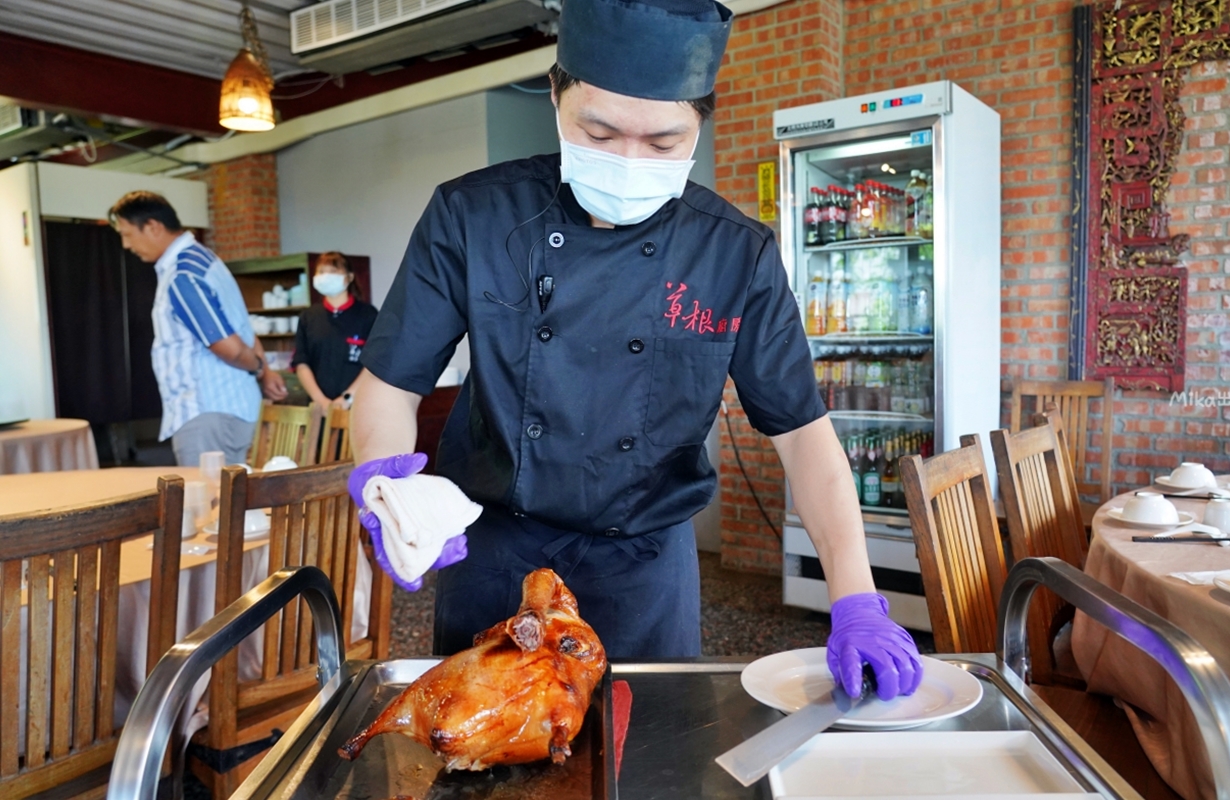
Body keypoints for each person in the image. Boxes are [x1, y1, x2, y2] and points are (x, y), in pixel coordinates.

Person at [349, 0, 922, 701]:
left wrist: (856, 598)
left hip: (644, 572)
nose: (628, 162)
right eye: (599, 130)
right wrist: (383, 479)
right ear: (557, 94)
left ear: (700, 124)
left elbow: (803, 434)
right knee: (482, 761)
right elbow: (390, 385)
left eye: (662, 144)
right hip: (496, 555)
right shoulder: (473, 217)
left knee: (654, 756)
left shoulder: (733, 254)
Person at [110, 191, 288, 466]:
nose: (126, 244)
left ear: (153, 227)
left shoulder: (184, 275)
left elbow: (227, 346)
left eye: (128, 234)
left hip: (208, 412)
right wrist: (263, 372)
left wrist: (260, 369)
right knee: (233, 502)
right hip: (227, 409)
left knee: (209, 505)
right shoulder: (206, 261)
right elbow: (243, 329)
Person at [292, 251, 378, 412]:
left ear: (349, 277)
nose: (326, 277)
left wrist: (347, 398)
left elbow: (374, 363)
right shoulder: (308, 317)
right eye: (321, 272)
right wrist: (321, 401)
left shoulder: (368, 315)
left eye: (333, 272)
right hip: (317, 409)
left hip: (357, 407)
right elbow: (301, 363)